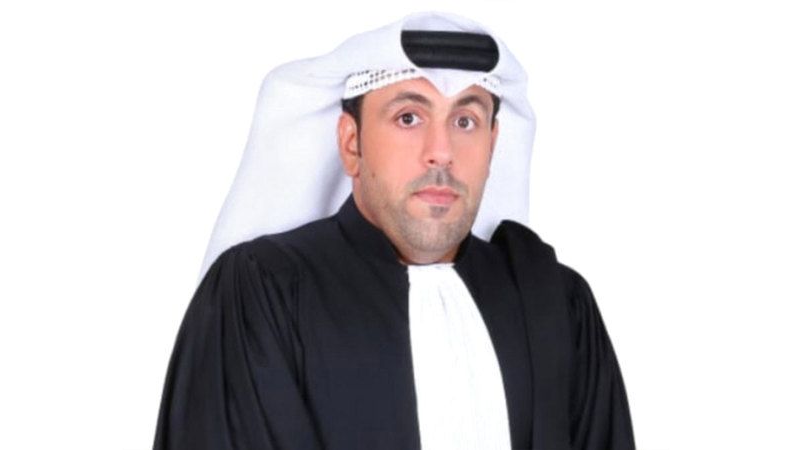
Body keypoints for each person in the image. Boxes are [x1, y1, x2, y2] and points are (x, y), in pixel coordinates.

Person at [154, 12, 634, 450]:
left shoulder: (556, 303)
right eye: (409, 118)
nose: (441, 151)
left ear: (493, 145)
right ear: (351, 143)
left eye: (465, 120)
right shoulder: (263, 293)